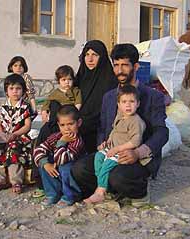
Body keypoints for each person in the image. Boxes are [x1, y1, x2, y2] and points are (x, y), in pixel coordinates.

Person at [72, 43, 168, 207]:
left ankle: (140, 192)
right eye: (116, 65)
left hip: (138, 157)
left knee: (118, 176)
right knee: (79, 168)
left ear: (136, 66)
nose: (119, 70)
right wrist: (102, 145)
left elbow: (162, 132)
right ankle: (109, 190)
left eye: (124, 65)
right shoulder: (109, 97)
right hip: (112, 151)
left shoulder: (153, 96)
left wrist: (138, 152)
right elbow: (103, 127)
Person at [84, 85, 146, 204]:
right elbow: (114, 130)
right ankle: (101, 183)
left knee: (107, 163)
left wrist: (117, 148)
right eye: (124, 102)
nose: (128, 105)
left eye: (132, 101)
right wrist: (107, 142)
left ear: (138, 104)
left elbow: (135, 141)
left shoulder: (136, 121)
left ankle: (100, 192)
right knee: (98, 157)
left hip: (123, 151)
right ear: (118, 104)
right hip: (112, 147)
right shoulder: (120, 116)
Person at [0, 74, 33, 194]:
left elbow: (27, 126)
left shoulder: (25, 107)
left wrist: (15, 134)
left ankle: (16, 181)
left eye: (18, 89)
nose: (15, 91)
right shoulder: (2, 107)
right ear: (6, 91)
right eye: (11, 88)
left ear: (23, 91)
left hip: (19, 136)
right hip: (3, 136)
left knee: (13, 150)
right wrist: (1, 134)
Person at [34, 105, 84, 207]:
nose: (67, 128)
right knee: (44, 163)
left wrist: (61, 143)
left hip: (71, 169)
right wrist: (46, 164)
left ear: (78, 123)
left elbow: (62, 159)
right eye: (63, 125)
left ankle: (70, 196)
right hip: (58, 167)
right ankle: (53, 194)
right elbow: (38, 150)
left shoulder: (77, 141)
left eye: (70, 124)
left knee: (65, 167)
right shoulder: (55, 136)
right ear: (58, 125)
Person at [75, 40, 118, 153]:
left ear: (102, 57)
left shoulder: (110, 82)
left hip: (96, 132)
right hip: (75, 124)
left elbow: (105, 114)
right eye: (87, 55)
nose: (90, 59)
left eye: (95, 55)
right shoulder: (80, 77)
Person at [37, 65, 82, 144]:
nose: (67, 82)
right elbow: (47, 102)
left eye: (69, 79)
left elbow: (78, 103)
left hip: (70, 114)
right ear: (59, 81)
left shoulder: (75, 91)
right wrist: (44, 111)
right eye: (63, 80)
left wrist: (74, 112)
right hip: (58, 116)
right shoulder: (55, 93)